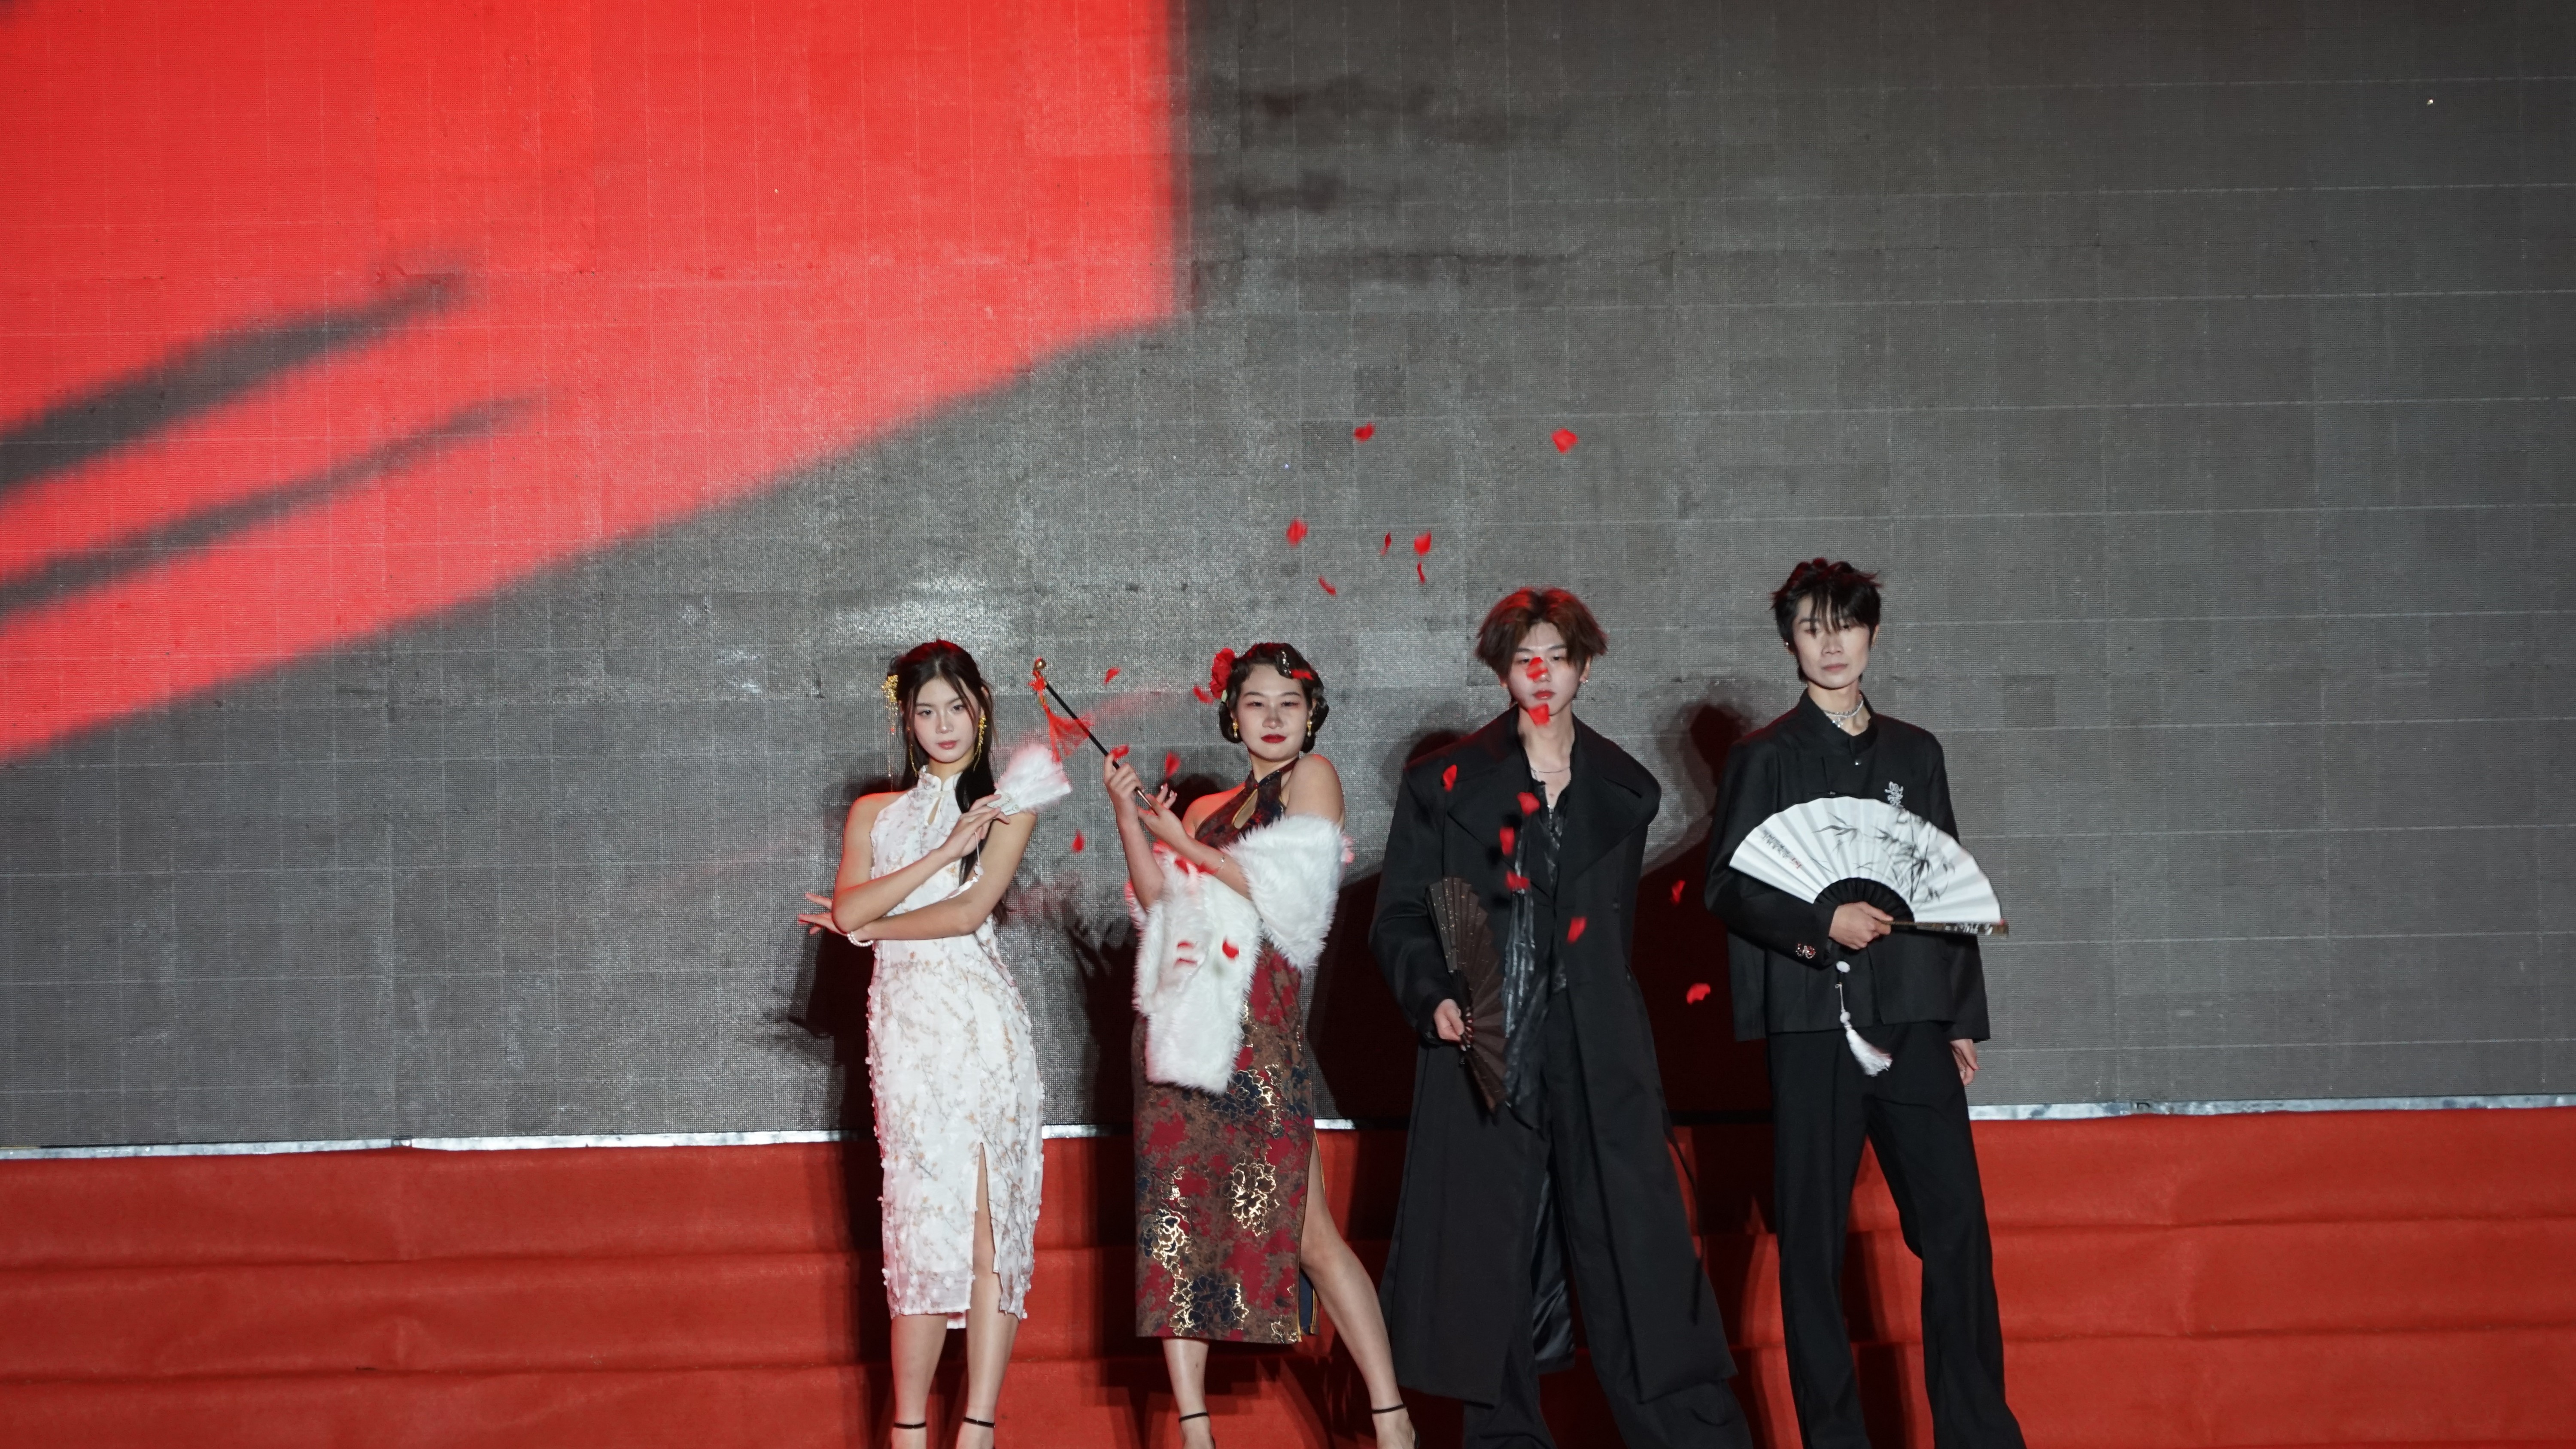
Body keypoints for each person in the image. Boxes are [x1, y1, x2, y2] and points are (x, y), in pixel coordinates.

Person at [1371, 588, 1754, 1449]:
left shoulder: (1627, 788)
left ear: (1584, 667)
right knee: (1490, 1255)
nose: (1541, 674)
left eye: (1558, 656)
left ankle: (1687, 1436)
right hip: (1486, 1045)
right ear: (1503, 672)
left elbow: (1613, 935)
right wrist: (1434, 993)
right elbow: (1398, 917)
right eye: (1524, 658)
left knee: (1639, 1252)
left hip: (1599, 1049)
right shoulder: (1443, 785)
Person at [1700, 559, 2026, 1449]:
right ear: (1790, 643)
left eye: (1845, 624)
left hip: (1913, 1012)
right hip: (1814, 1023)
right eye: (1812, 628)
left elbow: (1947, 882)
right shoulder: (1764, 757)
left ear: (1872, 633)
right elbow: (1726, 885)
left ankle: (1979, 1432)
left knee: (1956, 1227)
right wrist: (1822, 922)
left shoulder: (1915, 753)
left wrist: (1959, 1019)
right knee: (1812, 1244)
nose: (1831, 643)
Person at [1102, 643, 1414, 1449]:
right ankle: (1196, 1432)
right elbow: (1162, 908)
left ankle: (1393, 1422)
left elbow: (1291, 897)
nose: (1273, 718)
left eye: (1288, 703)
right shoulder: (1210, 808)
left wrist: (1186, 845)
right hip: (1186, 1032)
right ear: (1232, 717)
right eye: (1255, 703)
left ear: (1311, 715)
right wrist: (1133, 822)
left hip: (1263, 1035)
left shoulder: (1313, 779)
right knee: (1176, 1227)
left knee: (1310, 1236)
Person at [796, 641, 1045, 1449]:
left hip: (982, 1029)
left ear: (982, 710)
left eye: (957, 708)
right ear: (906, 720)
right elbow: (849, 904)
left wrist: (866, 927)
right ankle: (908, 1433)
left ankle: (977, 1430)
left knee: (990, 1225)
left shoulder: (1010, 806)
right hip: (906, 1034)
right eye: (926, 711)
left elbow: (966, 914)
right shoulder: (875, 813)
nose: (943, 725)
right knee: (919, 1224)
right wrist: (941, 853)